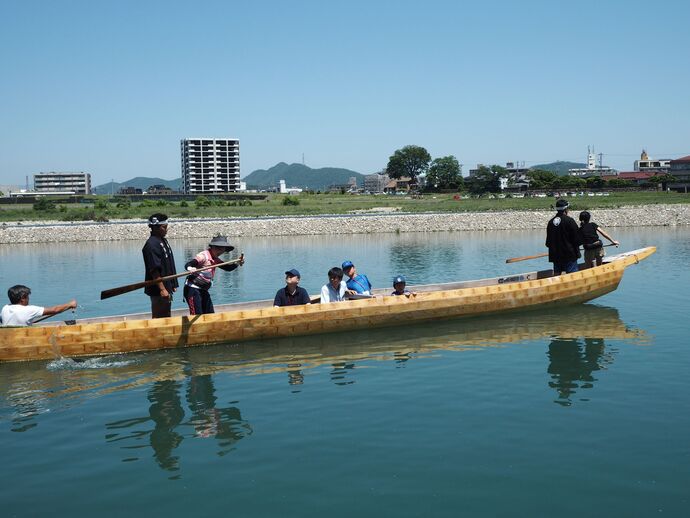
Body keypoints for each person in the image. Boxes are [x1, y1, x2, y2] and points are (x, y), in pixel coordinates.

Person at [184, 235, 244, 315]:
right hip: (193, 289)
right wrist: (190, 268)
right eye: (222, 249)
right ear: (215, 247)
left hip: (203, 289)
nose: (222, 252)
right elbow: (189, 264)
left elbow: (228, 268)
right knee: (196, 314)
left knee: (209, 313)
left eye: (223, 250)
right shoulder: (203, 256)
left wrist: (238, 263)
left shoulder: (215, 259)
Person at [142, 213, 178, 318]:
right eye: (164, 227)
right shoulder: (151, 244)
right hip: (158, 287)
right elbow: (154, 269)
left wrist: (173, 283)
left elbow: (169, 263)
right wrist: (162, 289)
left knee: (166, 313)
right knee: (159, 315)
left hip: (167, 285)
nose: (166, 230)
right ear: (155, 228)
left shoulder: (163, 240)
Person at [0, 285, 76, 326]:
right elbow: (55, 310)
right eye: (27, 297)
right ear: (22, 298)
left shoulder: (5, 308)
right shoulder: (29, 310)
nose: (28, 299)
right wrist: (70, 304)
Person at [545, 199, 581, 275]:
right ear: (566, 209)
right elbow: (577, 239)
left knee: (557, 276)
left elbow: (548, 243)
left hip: (555, 256)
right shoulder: (570, 221)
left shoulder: (551, 222)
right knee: (572, 277)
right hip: (569, 255)